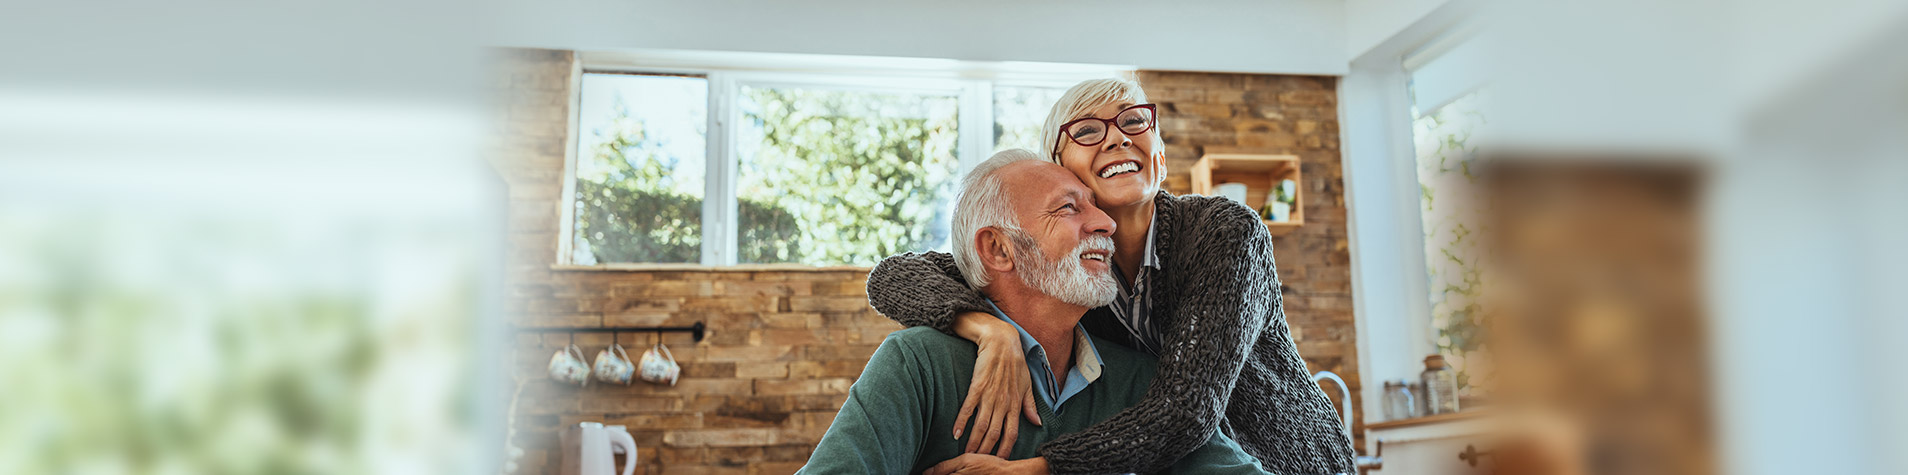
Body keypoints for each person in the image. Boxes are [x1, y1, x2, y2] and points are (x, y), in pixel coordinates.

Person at [865, 78, 1356, 474]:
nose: (1118, 136)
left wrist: (1040, 469)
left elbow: (1187, 410)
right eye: (1087, 131)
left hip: (1286, 459)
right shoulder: (1063, 272)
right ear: (1059, 170)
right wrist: (987, 328)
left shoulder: (1225, 232)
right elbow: (895, 275)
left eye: (1133, 121)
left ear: (1159, 154)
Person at [798, 150, 1268, 475]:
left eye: (1095, 206)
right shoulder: (918, 365)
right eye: (1068, 207)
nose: (1105, 222)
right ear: (999, 249)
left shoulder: (1140, 380)